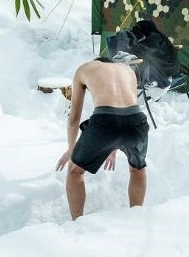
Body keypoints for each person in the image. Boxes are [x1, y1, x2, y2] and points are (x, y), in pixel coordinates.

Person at [55, 53, 149, 220]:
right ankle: (138, 216)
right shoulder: (127, 70)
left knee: (75, 171)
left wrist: (72, 149)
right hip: (136, 121)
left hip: (104, 121)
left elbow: (74, 118)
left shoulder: (84, 69)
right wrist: (112, 146)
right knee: (137, 168)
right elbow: (124, 111)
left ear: (96, 62)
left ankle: (77, 223)